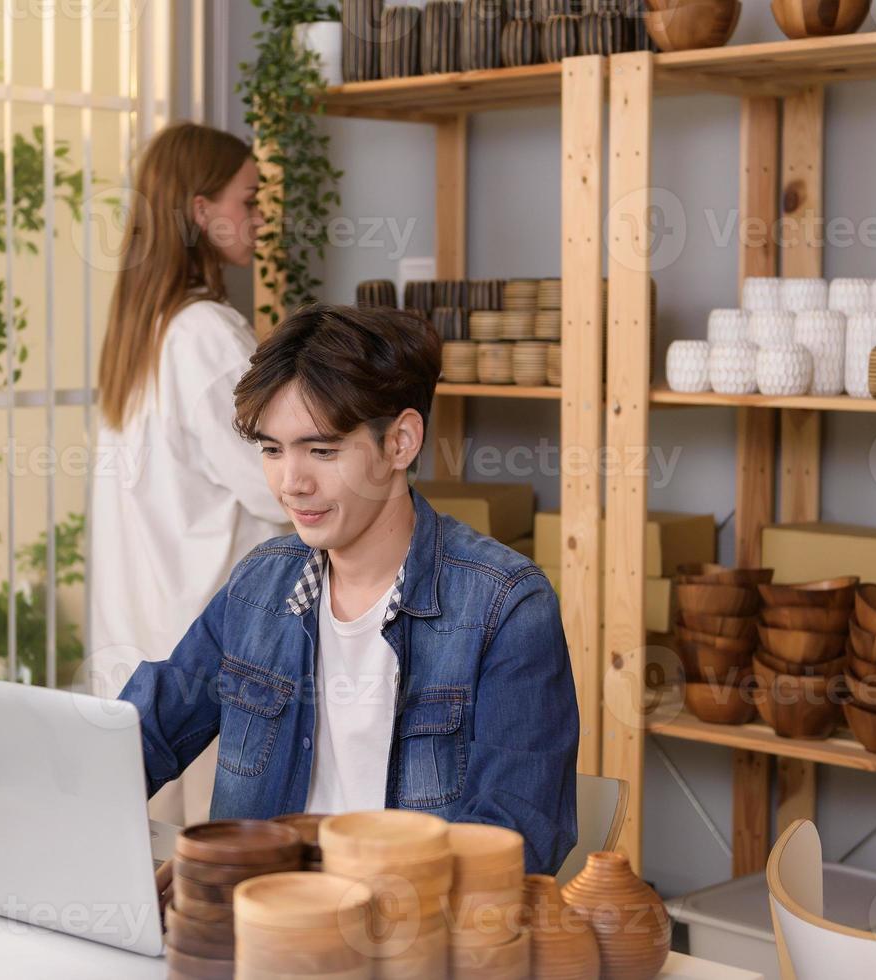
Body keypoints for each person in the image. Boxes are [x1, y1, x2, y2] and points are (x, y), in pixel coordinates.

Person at [118, 304, 579, 875]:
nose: (292, 482)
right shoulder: (259, 585)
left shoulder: (506, 608)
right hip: (260, 937)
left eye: (322, 450)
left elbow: (515, 845)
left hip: (409, 946)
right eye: (271, 449)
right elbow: (145, 734)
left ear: (401, 442)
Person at [88, 123, 288, 826]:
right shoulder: (206, 334)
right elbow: (280, 484)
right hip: (204, 665)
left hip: (138, 658)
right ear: (201, 210)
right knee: (218, 890)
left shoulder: (140, 333)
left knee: (158, 887)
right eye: (250, 198)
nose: (261, 215)